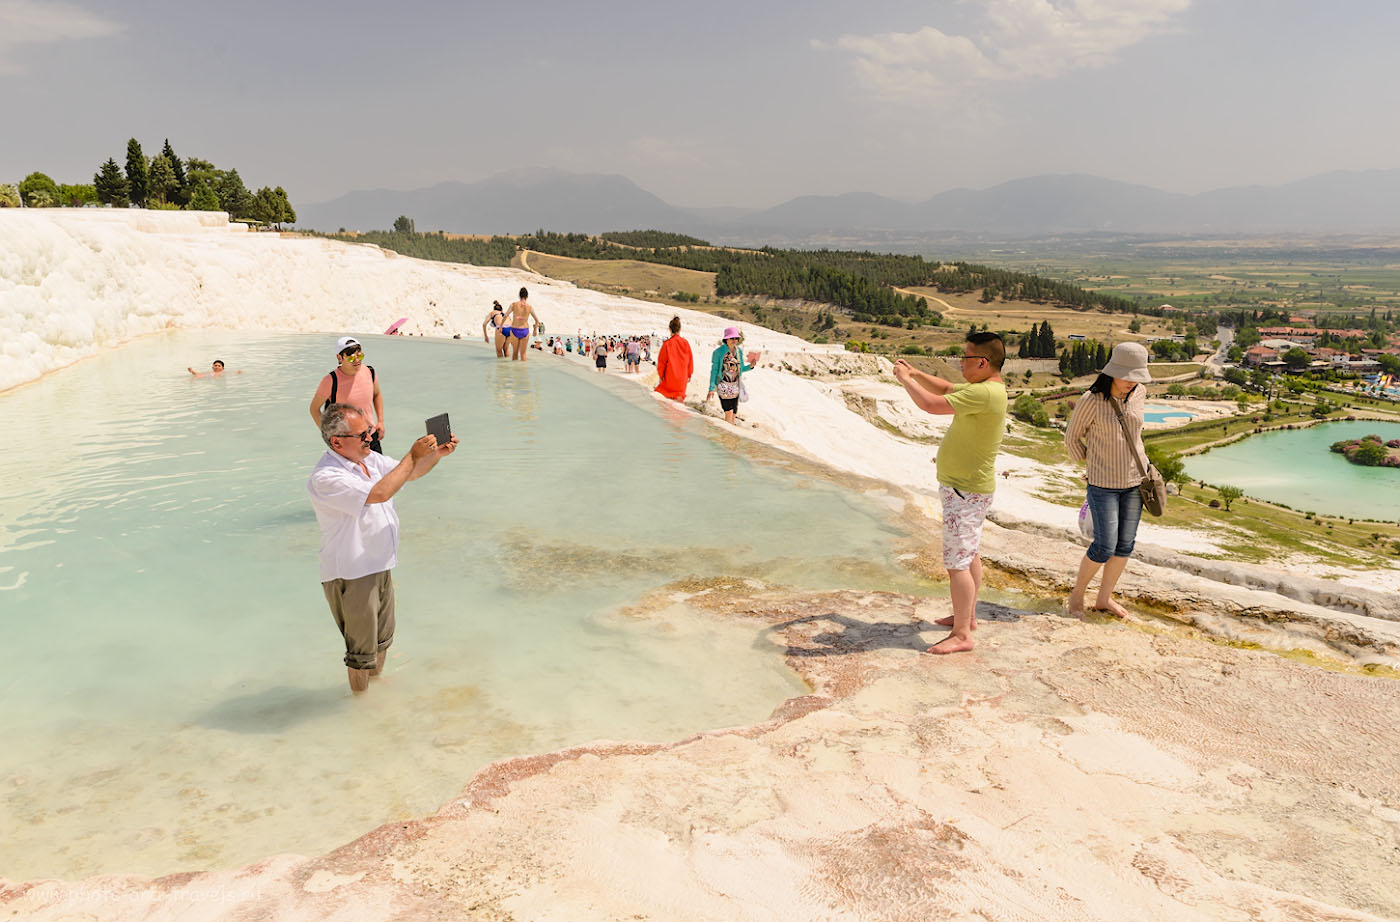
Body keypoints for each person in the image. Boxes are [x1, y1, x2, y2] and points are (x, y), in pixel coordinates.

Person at [308, 404, 458, 694]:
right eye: (363, 435)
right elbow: (379, 493)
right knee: (360, 652)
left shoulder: (371, 460)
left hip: (379, 564)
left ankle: (374, 698)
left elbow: (408, 474)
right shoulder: (325, 477)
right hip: (352, 572)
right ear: (337, 441)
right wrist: (412, 455)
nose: (370, 438)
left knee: (382, 641)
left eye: (370, 431)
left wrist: (435, 455)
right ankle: (360, 703)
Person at [892, 332, 1007, 655]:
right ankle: (966, 617)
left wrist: (904, 380)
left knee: (957, 562)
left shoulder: (985, 394)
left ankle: (961, 635)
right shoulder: (985, 390)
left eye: (966, 358)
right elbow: (942, 388)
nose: (961, 363)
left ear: (982, 362)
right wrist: (915, 373)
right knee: (968, 554)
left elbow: (931, 404)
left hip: (964, 490)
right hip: (967, 488)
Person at [1063, 342, 1152, 619]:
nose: (1130, 382)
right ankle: (1077, 595)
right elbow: (1071, 438)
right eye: (1125, 376)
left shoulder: (1140, 393)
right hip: (1103, 485)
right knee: (1104, 546)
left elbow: (1135, 434)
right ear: (1111, 372)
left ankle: (1104, 599)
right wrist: (1091, 463)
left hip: (1136, 480)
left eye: (1136, 376)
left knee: (1125, 545)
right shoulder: (1091, 400)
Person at [309, 337, 385, 453]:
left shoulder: (370, 372)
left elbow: (377, 394)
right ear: (340, 358)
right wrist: (330, 436)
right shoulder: (331, 380)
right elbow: (314, 409)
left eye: (359, 356)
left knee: (380, 471)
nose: (357, 361)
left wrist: (380, 421)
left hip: (372, 437)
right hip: (348, 443)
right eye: (351, 358)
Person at [706, 327, 760, 424]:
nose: (734, 340)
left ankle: (727, 437)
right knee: (729, 412)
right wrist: (711, 388)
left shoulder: (738, 351)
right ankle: (726, 436)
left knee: (734, 413)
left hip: (735, 385)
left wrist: (750, 366)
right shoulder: (718, 352)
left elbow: (741, 368)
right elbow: (714, 371)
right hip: (723, 385)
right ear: (726, 339)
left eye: (736, 338)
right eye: (732, 338)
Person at [655, 316, 693, 402]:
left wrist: (661, 376)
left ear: (669, 329)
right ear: (680, 329)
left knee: (665, 401)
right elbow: (690, 360)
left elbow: (661, 362)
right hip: (682, 377)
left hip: (670, 376)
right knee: (679, 401)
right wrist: (689, 374)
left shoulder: (667, 344)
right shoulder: (685, 343)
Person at [502, 287, 540, 362]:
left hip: (514, 330)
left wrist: (500, 326)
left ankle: (515, 372)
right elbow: (537, 320)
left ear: (519, 295)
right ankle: (523, 372)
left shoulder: (513, 305)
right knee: (523, 354)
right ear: (527, 296)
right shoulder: (530, 307)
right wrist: (535, 330)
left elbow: (506, 315)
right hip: (525, 331)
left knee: (515, 353)